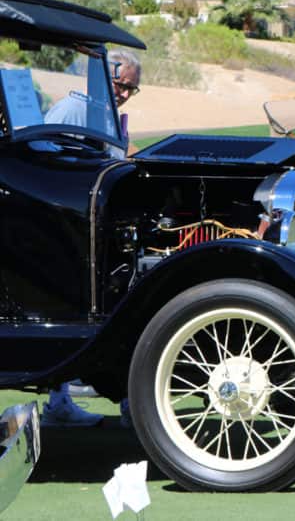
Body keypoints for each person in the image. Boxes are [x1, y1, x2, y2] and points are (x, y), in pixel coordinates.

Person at [41, 51, 141, 428]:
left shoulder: (109, 117)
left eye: (132, 88)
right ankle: (60, 402)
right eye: (121, 85)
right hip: (68, 221)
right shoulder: (70, 109)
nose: (126, 94)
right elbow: (45, 159)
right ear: (103, 76)